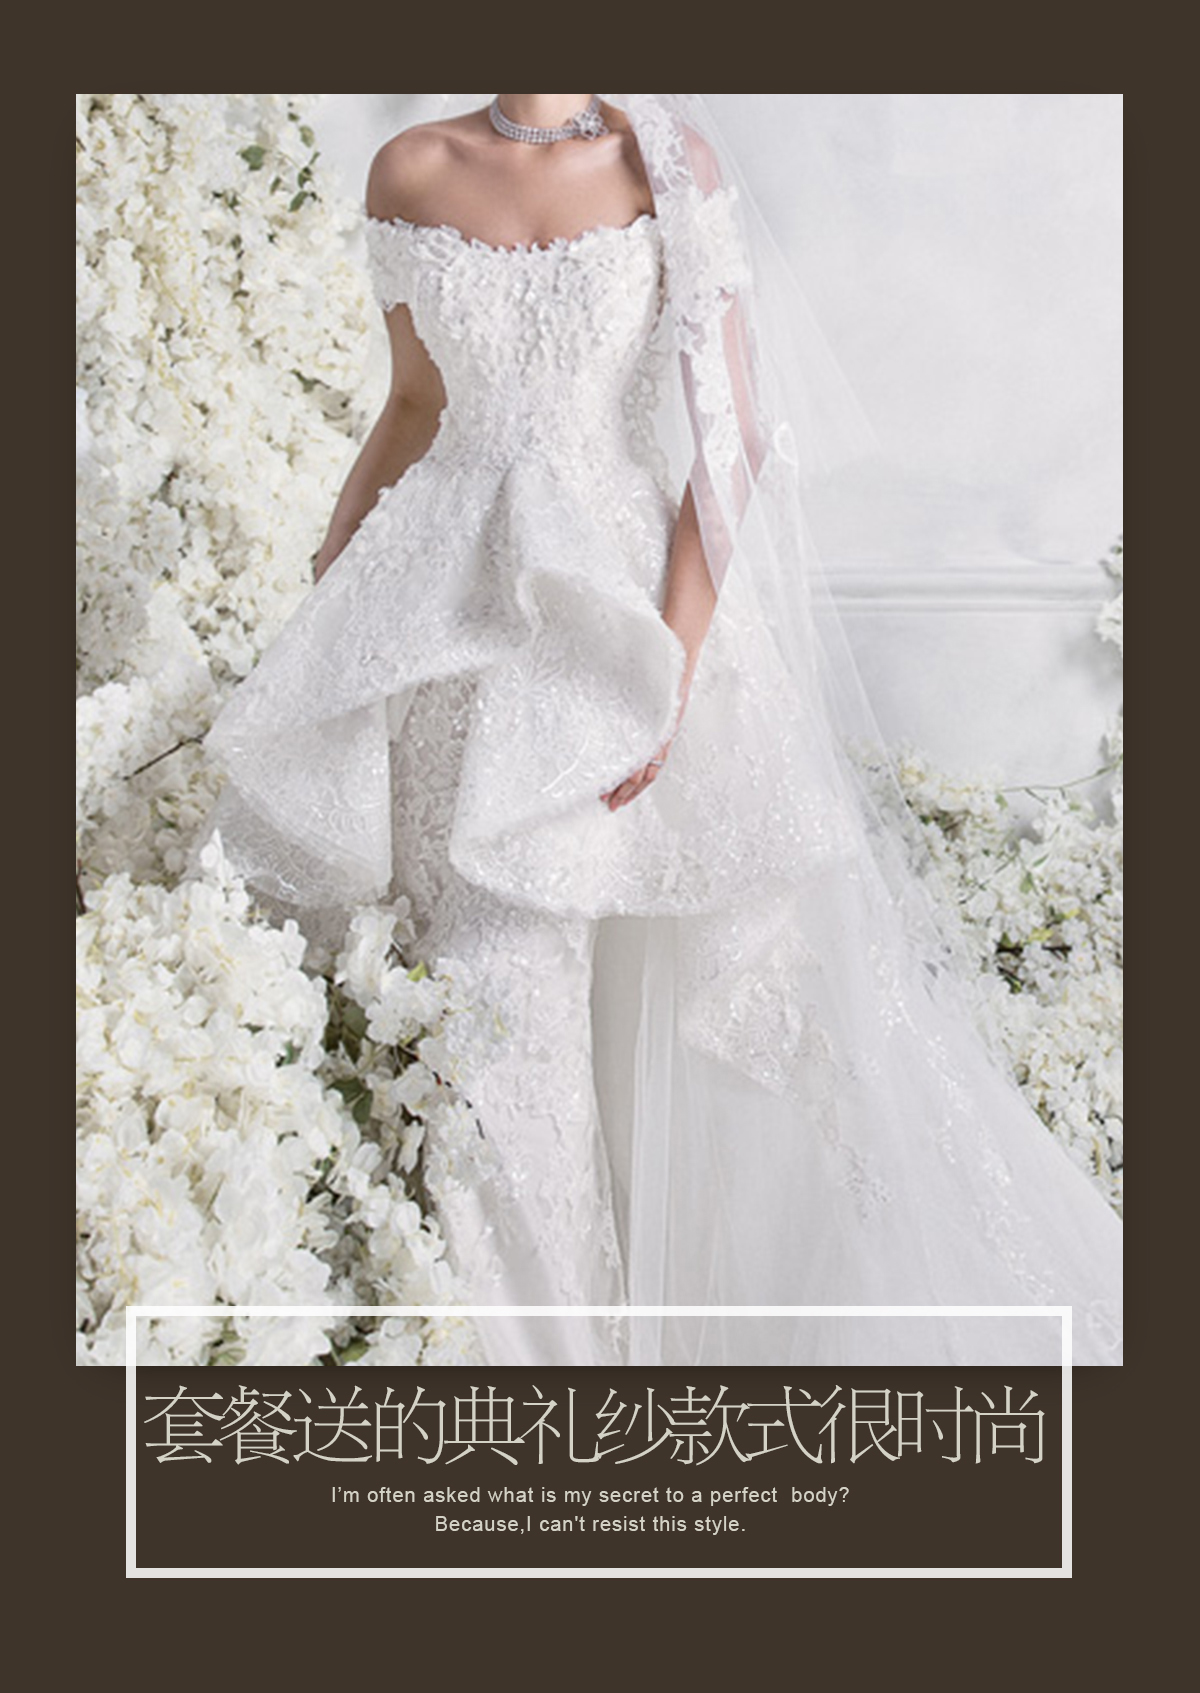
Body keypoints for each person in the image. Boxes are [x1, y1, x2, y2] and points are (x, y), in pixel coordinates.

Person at [202, 95, 1122, 1367]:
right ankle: (491, 1366)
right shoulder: (408, 167)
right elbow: (414, 404)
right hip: (438, 625)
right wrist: (335, 582)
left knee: (613, 1014)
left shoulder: (669, 165)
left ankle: (575, 1378)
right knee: (459, 1015)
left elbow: (730, 441)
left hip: (613, 623)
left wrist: (669, 674)